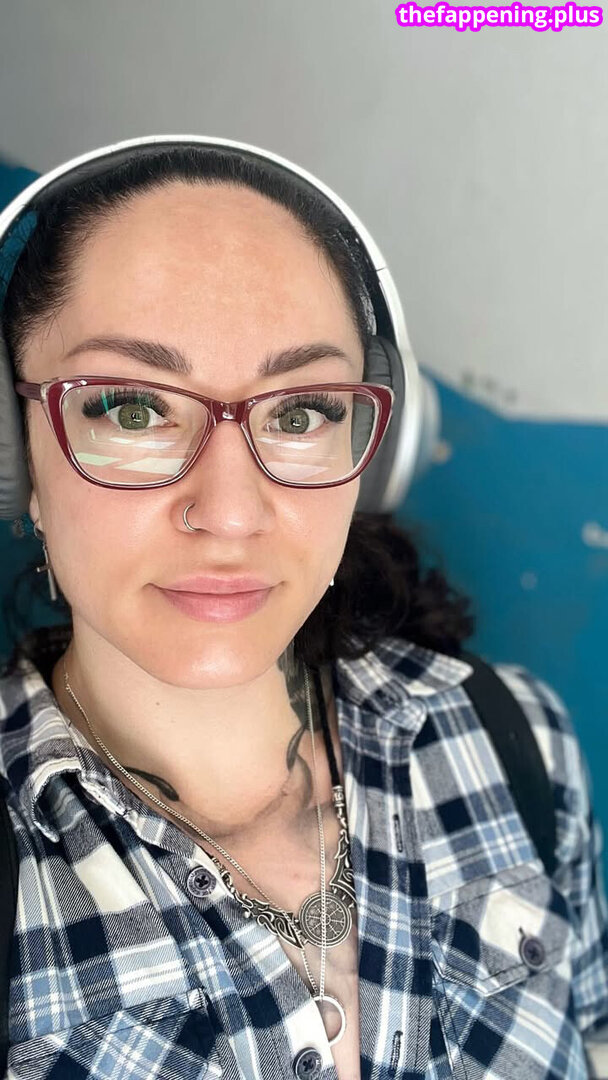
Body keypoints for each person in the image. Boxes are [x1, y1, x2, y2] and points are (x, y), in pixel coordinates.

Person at [0, 139, 606, 1080]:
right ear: (17, 457)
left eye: (299, 413)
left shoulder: (511, 737)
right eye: (131, 407)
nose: (230, 514)